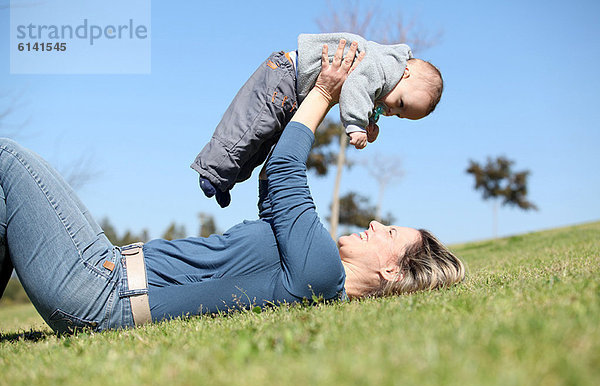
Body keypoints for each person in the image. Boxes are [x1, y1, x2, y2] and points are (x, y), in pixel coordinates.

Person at [0, 40, 463, 335]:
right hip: (107, 280)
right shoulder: (310, 272)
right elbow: (272, 186)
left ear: (392, 273)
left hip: (103, 289)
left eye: (390, 235)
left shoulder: (323, 275)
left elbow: (283, 174)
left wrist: (324, 93)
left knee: (7, 156)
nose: (377, 224)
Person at [190, 32, 443, 207]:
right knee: (249, 127)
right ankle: (213, 171)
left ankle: (227, 179)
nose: (391, 110)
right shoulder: (382, 66)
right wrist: (355, 125)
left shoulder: (384, 85)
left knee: (262, 144)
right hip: (286, 76)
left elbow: (365, 98)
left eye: (398, 115)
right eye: (400, 104)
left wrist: (370, 124)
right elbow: (356, 86)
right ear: (405, 72)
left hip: (295, 93)